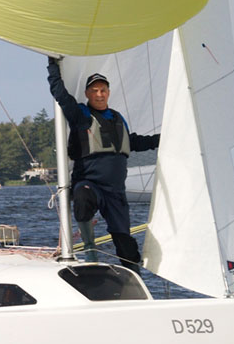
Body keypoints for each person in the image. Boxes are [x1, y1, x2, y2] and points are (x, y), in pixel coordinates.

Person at [47, 57, 159, 271]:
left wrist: (162, 139)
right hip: (90, 183)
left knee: (125, 242)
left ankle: (133, 275)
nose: (99, 94)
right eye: (95, 90)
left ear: (108, 92)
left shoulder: (117, 118)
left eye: (103, 90)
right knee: (83, 196)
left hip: (115, 192)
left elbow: (132, 142)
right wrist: (53, 66)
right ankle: (90, 251)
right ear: (88, 94)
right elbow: (60, 95)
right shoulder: (81, 114)